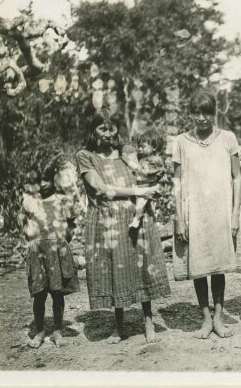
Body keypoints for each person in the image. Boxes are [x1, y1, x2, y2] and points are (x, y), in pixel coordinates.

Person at [76, 111, 171, 344]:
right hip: (107, 221)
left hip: (135, 218)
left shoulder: (128, 151)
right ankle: (119, 326)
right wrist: (139, 191)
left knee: (142, 268)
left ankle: (148, 321)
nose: (108, 134)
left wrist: (154, 185)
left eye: (112, 128)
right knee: (115, 271)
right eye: (102, 129)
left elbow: (148, 173)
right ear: (93, 131)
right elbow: (100, 189)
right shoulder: (85, 156)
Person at [172, 92, 241, 339]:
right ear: (190, 113)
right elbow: (177, 181)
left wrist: (235, 214)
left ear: (214, 113)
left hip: (220, 211)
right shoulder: (180, 141)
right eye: (196, 112)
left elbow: (237, 177)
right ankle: (205, 319)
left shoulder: (228, 138)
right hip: (194, 213)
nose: (201, 118)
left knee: (218, 267)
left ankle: (219, 318)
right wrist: (179, 217)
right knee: (199, 266)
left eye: (206, 113)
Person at [21, 160, 80, 348]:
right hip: (37, 251)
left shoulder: (62, 201)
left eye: (47, 180)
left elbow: (71, 223)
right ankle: (39, 331)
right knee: (39, 294)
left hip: (57, 252)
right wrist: (32, 241)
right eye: (39, 181)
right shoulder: (30, 201)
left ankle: (57, 330)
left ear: (54, 180)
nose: (43, 184)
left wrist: (62, 243)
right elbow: (23, 221)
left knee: (57, 292)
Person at [121, 129, 166, 230]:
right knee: (142, 203)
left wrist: (127, 160)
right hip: (142, 184)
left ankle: (136, 220)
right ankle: (144, 218)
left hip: (147, 186)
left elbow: (142, 170)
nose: (140, 149)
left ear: (154, 147)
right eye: (139, 146)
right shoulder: (144, 157)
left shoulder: (155, 160)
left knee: (139, 204)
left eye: (143, 146)